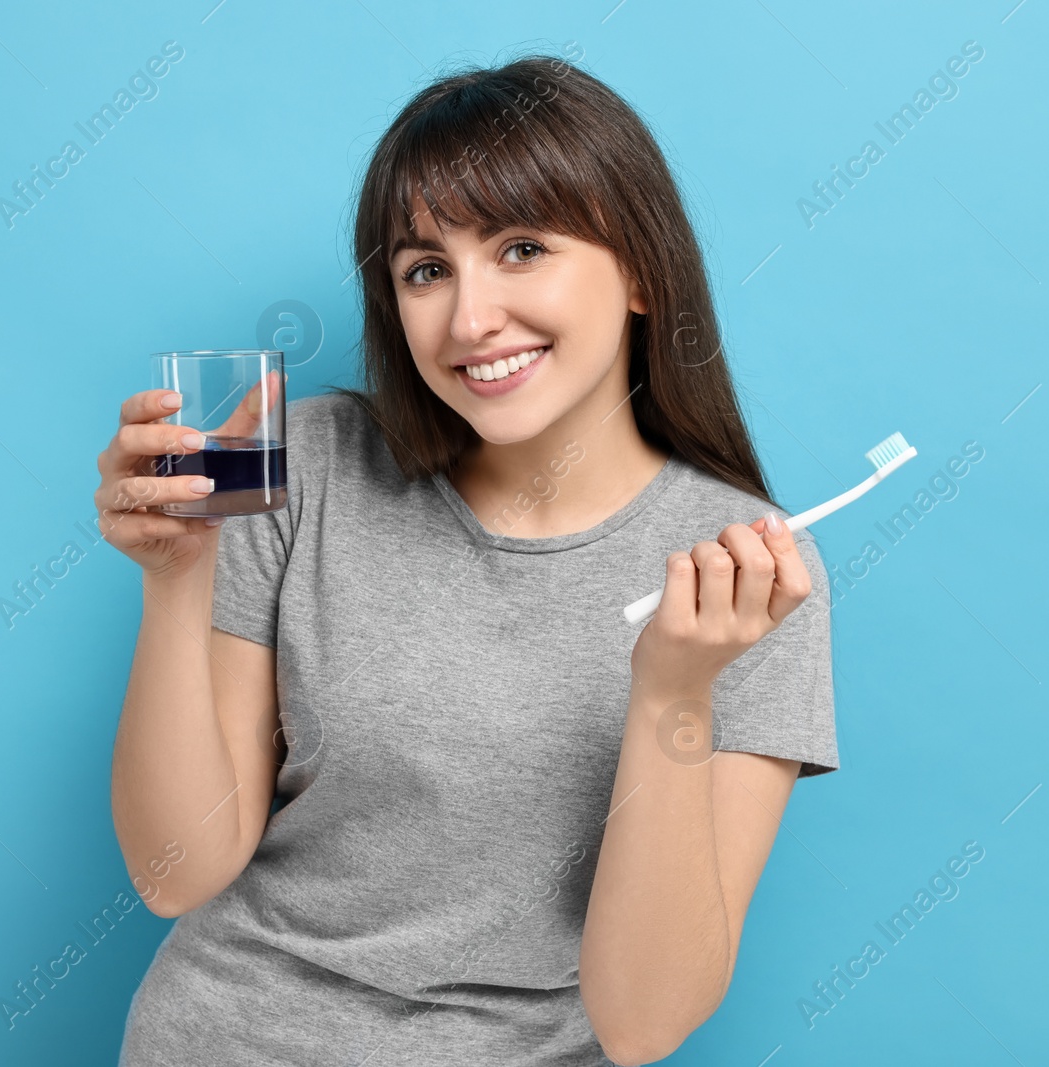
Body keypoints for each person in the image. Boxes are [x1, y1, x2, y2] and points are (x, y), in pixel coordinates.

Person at [99, 50, 837, 1067]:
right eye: (426, 269)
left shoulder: (742, 571)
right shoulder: (305, 463)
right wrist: (176, 578)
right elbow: (173, 871)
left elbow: (642, 1020)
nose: (470, 318)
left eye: (522, 247)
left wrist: (673, 691)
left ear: (640, 271)